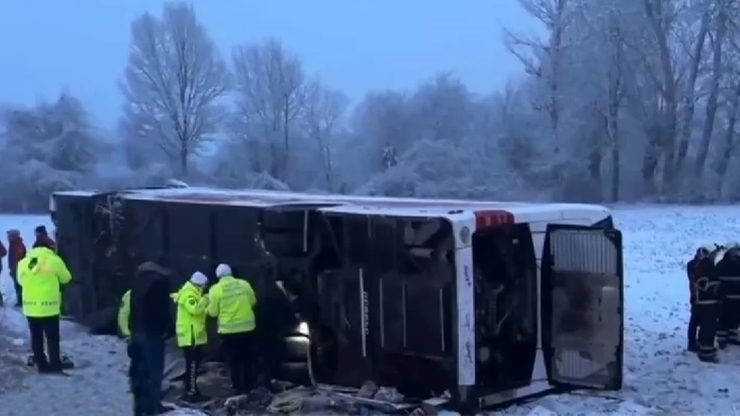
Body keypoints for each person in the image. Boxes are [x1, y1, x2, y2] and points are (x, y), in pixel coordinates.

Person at [17, 240, 72, 373]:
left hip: (31, 307)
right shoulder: (54, 260)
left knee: (36, 337)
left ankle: (41, 365)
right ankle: (54, 365)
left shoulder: (23, 262)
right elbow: (66, 278)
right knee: (52, 338)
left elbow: (20, 281)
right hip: (50, 306)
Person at [128, 261, 175, 415]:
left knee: (139, 372)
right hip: (152, 334)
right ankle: (154, 407)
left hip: (136, 332)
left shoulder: (138, 280)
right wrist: (168, 327)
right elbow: (160, 311)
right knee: (154, 372)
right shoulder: (161, 283)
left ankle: (140, 408)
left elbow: (132, 307)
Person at [208, 264, 258, 393]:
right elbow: (253, 301)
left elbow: (213, 312)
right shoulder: (244, 284)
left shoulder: (216, 289)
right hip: (248, 327)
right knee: (248, 359)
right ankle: (249, 385)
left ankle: (237, 386)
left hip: (229, 331)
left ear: (218, 276)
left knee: (233, 361)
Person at [172, 271, 210, 402]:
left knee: (192, 364)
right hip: (191, 336)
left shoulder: (191, 293)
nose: (204, 288)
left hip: (193, 335)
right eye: (204, 285)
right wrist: (206, 300)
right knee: (192, 365)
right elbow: (194, 310)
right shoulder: (189, 294)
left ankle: (191, 388)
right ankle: (191, 392)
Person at [694, 243, 722, 362]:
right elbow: (703, 284)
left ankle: (704, 349)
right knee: (708, 328)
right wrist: (717, 288)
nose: (716, 255)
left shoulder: (704, 265)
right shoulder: (707, 266)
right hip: (707, 303)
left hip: (706, 303)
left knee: (706, 327)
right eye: (714, 253)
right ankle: (706, 353)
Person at [716, 242, 740, 348]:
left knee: (735, 318)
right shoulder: (721, 265)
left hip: (737, 298)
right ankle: (722, 339)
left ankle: (733, 337)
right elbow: (717, 281)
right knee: (723, 318)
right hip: (725, 298)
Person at [686, 248, 702, 352]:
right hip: (696, 296)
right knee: (695, 320)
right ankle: (692, 343)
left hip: (697, 296)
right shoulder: (692, 265)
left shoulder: (692, 264)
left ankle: (698, 341)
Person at [7, 229, 27, 307]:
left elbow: (17, 257)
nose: (7, 237)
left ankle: (21, 300)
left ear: (13, 236)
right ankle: (20, 300)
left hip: (18, 268)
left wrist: (14, 268)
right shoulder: (13, 244)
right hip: (16, 268)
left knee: (19, 285)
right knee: (17, 285)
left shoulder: (17, 244)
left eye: (9, 236)